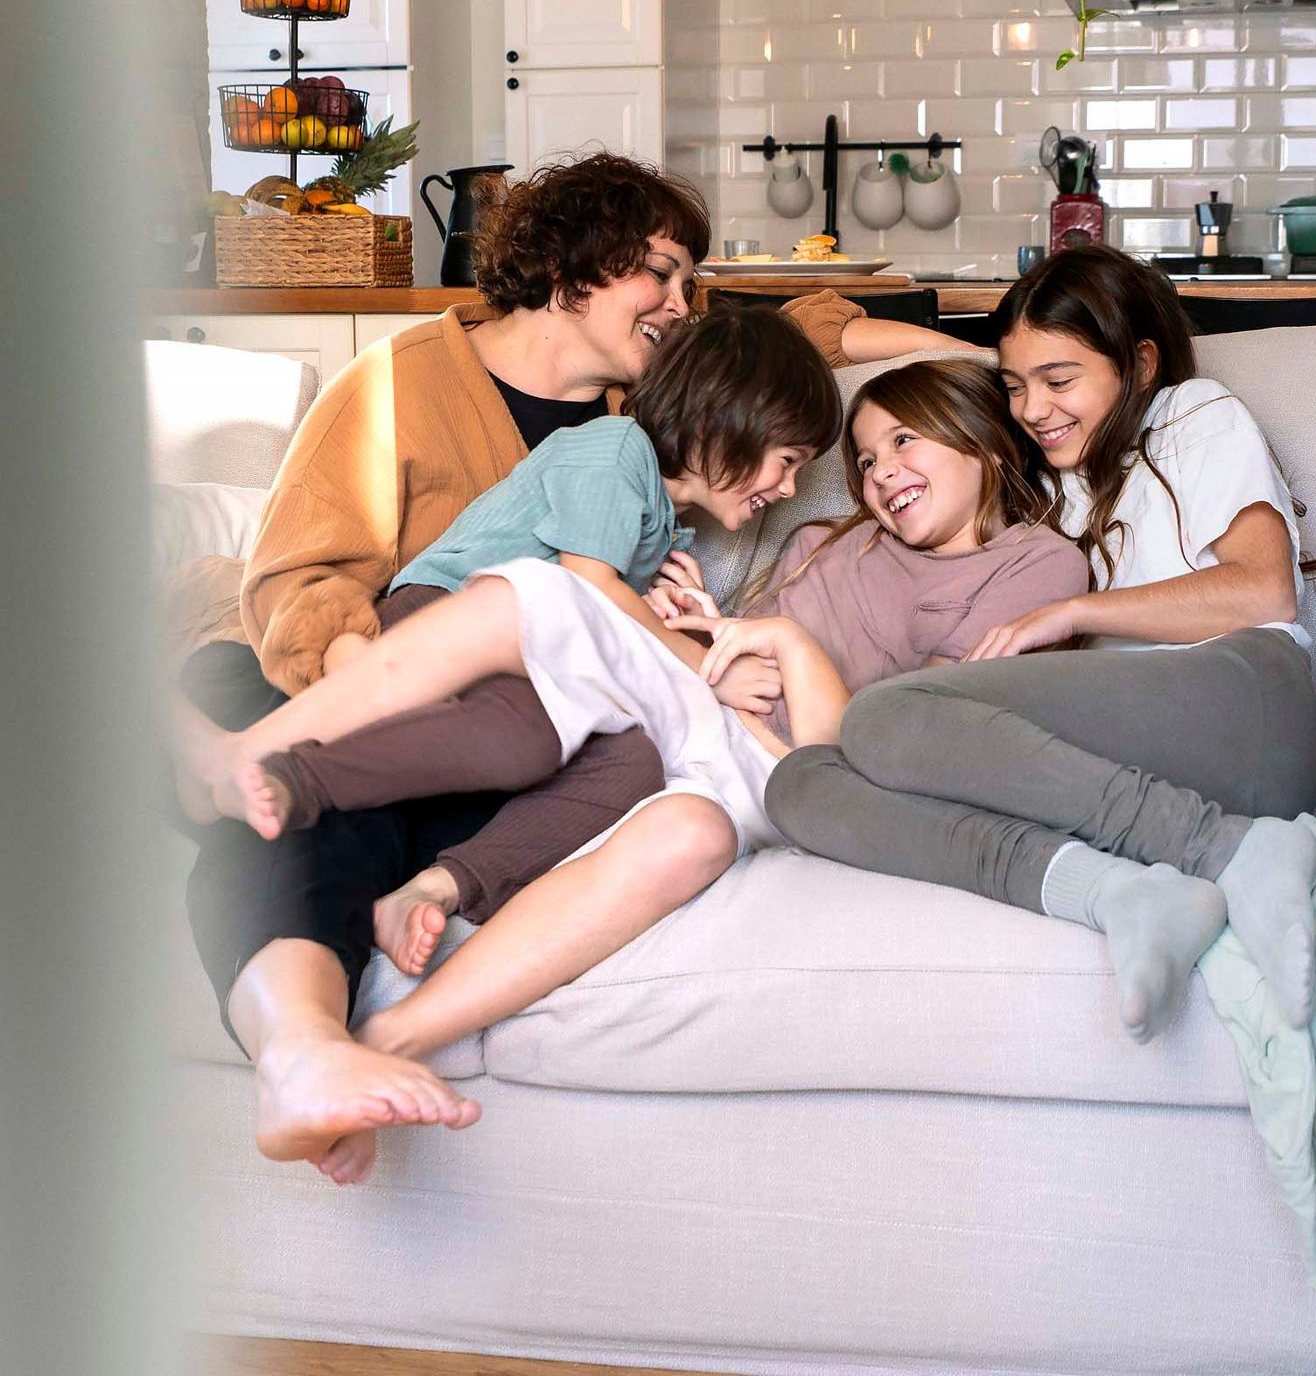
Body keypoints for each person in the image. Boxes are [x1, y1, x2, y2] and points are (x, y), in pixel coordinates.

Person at [176, 149, 971, 1168]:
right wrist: (364, 681)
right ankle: (300, 1044)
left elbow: (795, 339)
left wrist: (992, 352)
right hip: (373, 670)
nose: (682, 301)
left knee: (628, 785)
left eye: (692, 283)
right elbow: (300, 578)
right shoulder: (404, 384)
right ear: (569, 269)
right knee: (319, 804)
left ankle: (381, 964)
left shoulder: (652, 411)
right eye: (662, 272)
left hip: (523, 721)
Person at [180, 358, 1089, 1182]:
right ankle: (259, 758)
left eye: (904, 441)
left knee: (690, 836)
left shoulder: (1039, 563)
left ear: (982, 441)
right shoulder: (824, 541)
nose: (879, 470)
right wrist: (700, 624)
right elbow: (721, 639)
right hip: (711, 699)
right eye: (863, 456)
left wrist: (780, 648)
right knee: (548, 597)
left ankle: (393, 1035)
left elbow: (902, 738)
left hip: (802, 765)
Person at [765, 245, 1316, 1047]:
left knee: (886, 717)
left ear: (1139, 365)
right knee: (802, 783)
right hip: (1133, 756)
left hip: (1245, 705)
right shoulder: (1053, 481)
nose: (1034, 409)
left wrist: (1069, 612)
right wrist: (972, 359)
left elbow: (1263, 589)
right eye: (1016, 387)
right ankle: (1115, 893)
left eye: (1059, 380)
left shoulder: (1192, 414)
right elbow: (813, 336)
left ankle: (1237, 849)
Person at [185, 304, 844, 840]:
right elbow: (591, 588)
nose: (788, 489)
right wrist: (712, 668)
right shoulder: (616, 452)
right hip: (439, 616)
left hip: (520, 656)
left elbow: (603, 617)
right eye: (786, 461)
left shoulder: (666, 526)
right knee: (511, 738)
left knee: (527, 746)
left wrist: (681, 616)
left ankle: (293, 781)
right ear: (726, 421)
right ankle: (250, 746)